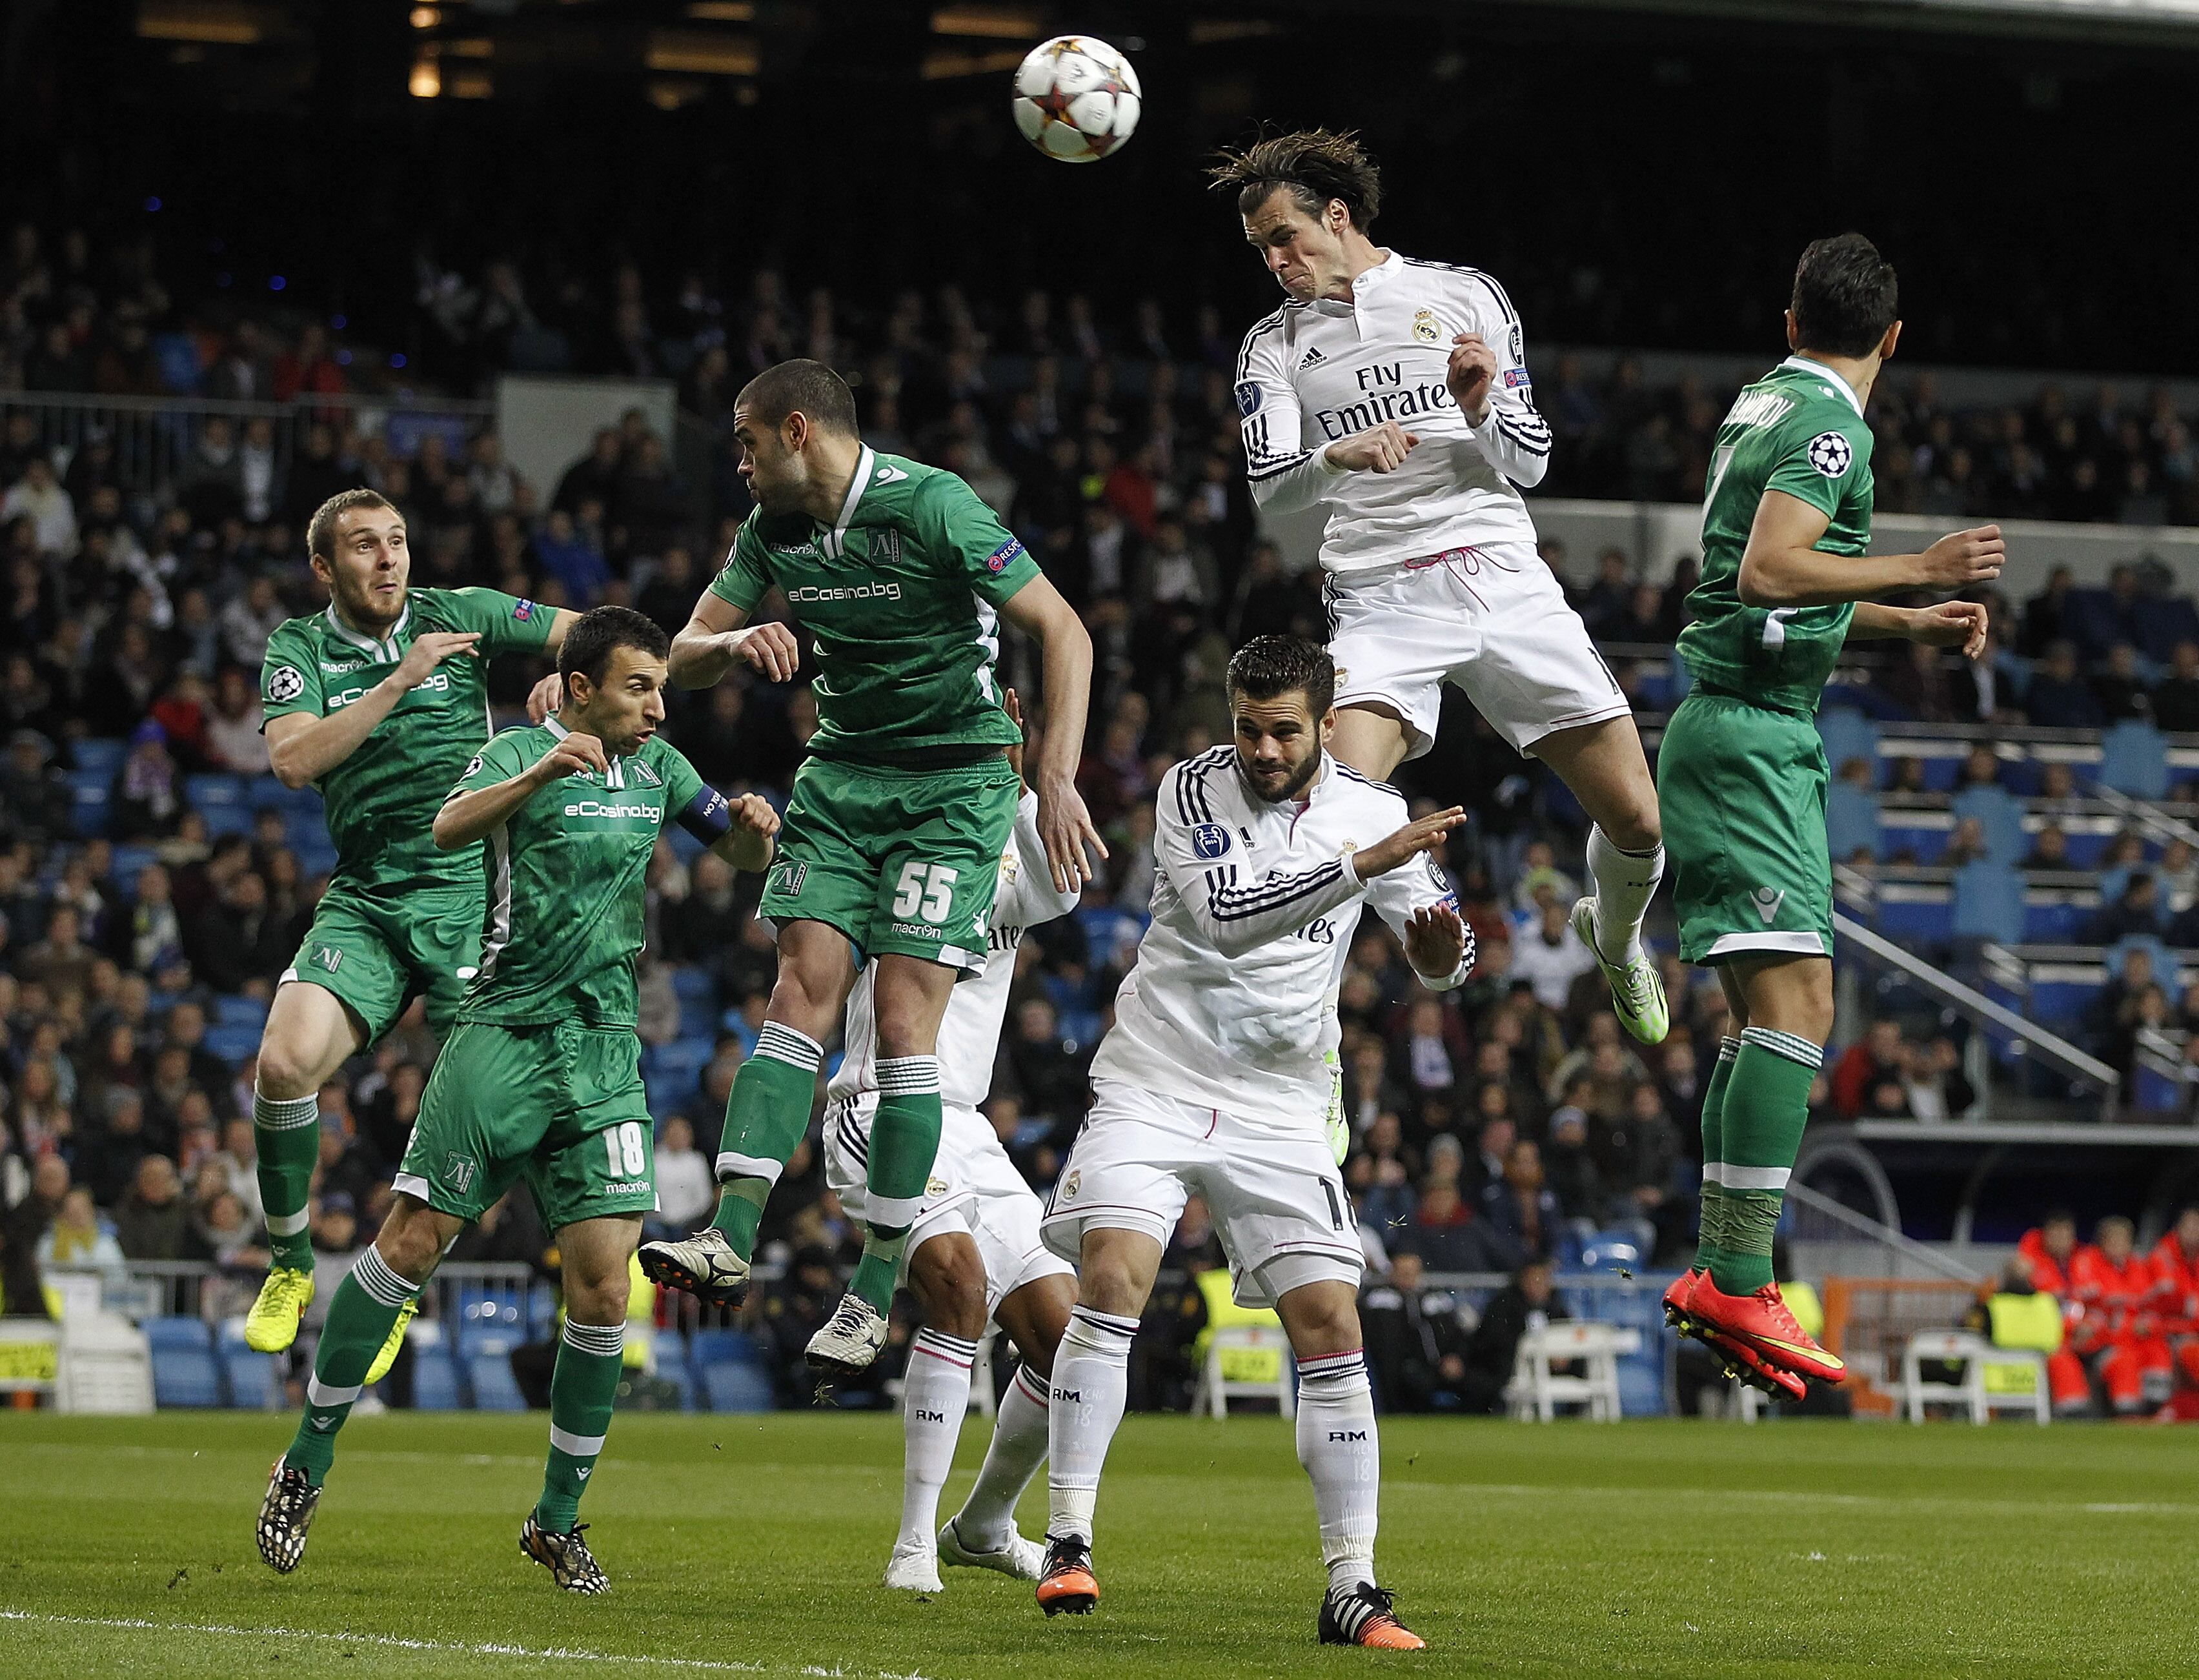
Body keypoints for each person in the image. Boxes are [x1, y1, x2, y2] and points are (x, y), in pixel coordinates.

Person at [254, 606, 778, 1592]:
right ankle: (306, 1461)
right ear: (579, 689)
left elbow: (735, 853)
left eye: (662, 687)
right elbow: (449, 826)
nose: (659, 707)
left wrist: (753, 831)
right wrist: (538, 772)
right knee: (409, 1246)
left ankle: (558, 1519)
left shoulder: (661, 771)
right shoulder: (516, 751)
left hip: (605, 1054)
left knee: (600, 1286)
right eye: (639, 687)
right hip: (500, 1038)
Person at [642, 359, 1099, 1375]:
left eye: (746, 442)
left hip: (953, 785)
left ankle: (876, 1285)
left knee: (901, 1026)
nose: (739, 462)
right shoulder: (771, 534)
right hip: (844, 777)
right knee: (800, 988)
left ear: (797, 430)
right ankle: (730, 1236)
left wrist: (1056, 776)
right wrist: (733, 643)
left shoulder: (934, 506)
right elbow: (679, 653)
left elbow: (1062, 630)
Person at [1033, 636, 1472, 1649]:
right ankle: (1068, 1539)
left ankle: (1352, 1586)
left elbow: (1443, 950)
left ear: (1326, 724)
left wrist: (1444, 951)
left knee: (1330, 1318)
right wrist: (1363, 868)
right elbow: (1229, 920)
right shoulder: (1191, 789)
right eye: (1248, 727)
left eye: (1283, 730)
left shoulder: (1375, 812)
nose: (1263, 749)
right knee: (1114, 1276)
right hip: (1158, 1076)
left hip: (1279, 1100)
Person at [1211, 129, 1668, 1047]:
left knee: (1639, 821)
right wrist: (1336, 454)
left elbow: (1531, 463)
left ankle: (1614, 937)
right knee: (1328, 807)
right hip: (1381, 590)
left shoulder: (1462, 296)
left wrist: (1481, 406)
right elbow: (1270, 486)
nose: (1277, 261)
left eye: (1287, 238)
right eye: (1262, 248)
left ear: (1336, 217)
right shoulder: (1273, 346)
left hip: (1499, 571)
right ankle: (1316, 1046)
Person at [1656, 236, 2003, 1399]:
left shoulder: (1760, 402)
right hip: (1752, 740)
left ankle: (1726, 1270)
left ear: (1791, 319)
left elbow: (1767, 602)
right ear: (1893, 340)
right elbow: (1770, 573)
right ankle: (1736, 1274)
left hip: (1738, 723)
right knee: (1803, 1005)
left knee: (1768, 1013)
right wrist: (1921, 565)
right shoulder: (1830, 429)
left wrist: (1914, 624)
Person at [240, 490, 576, 1371]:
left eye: (397, 540)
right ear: (325, 568)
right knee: (281, 1065)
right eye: (363, 546)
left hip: (474, 895)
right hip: (370, 898)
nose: (389, 559)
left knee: (484, 1111)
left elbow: (610, 639)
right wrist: (400, 679)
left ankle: (399, 1284)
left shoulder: (458, 614)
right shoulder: (300, 649)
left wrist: (570, 676)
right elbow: (292, 760)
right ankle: (288, 1264)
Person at [822, 691, 1081, 1592]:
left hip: (965, 1125)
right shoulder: (898, 837)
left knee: (1066, 1338)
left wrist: (1018, 769)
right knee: (960, 1291)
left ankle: (985, 1523)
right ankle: (913, 1543)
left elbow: (1065, 878)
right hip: (881, 1107)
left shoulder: (1010, 853)